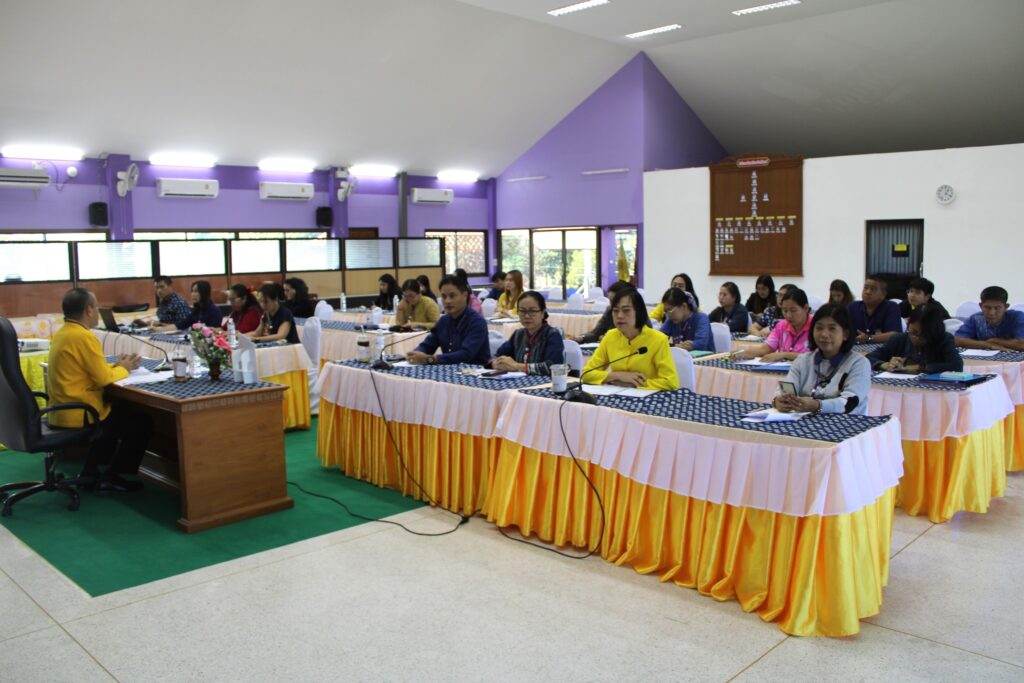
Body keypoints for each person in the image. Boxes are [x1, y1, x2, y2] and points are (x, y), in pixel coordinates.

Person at [48, 288, 152, 493]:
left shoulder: (63, 333)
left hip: (61, 410)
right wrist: (125, 368)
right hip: (80, 412)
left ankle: (92, 472)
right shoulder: (83, 336)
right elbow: (103, 379)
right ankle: (112, 477)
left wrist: (117, 366)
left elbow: (92, 371)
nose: (97, 312)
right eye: (96, 307)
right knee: (140, 421)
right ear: (88, 310)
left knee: (118, 411)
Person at [773, 303, 871, 415]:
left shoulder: (859, 363)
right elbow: (786, 388)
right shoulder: (803, 360)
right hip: (805, 421)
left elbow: (849, 402)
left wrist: (818, 406)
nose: (824, 334)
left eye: (832, 329)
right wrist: (779, 400)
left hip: (846, 423)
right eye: (819, 328)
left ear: (846, 334)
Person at [581, 288, 679, 391]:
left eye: (626, 310)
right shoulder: (610, 336)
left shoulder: (658, 340)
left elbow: (671, 382)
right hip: (616, 394)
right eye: (615, 311)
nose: (619, 316)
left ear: (639, 312)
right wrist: (616, 376)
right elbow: (586, 374)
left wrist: (635, 384)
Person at [407, 275, 491, 365]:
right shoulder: (443, 321)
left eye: (452, 296)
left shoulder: (477, 322)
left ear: (465, 295)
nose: (447, 301)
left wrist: (430, 359)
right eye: (444, 297)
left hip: (476, 371)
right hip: (449, 370)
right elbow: (428, 345)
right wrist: (416, 353)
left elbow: (466, 355)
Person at [490, 291, 564, 376]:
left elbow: (552, 367)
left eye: (532, 311)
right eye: (522, 311)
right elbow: (498, 356)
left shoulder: (552, 335)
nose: (527, 316)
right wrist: (496, 363)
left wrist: (517, 366)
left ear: (543, 313)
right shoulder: (518, 335)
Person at [868, 307, 963, 374]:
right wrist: (884, 365)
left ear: (932, 333)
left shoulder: (944, 339)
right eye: (911, 332)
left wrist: (919, 367)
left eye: (920, 334)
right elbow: (869, 358)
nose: (914, 337)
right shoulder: (899, 339)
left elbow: (956, 366)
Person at [732, 288, 813, 361]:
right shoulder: (781, 326)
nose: (788, 315)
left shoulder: (815, 326)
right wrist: (745, 353)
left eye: (793, 310)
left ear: (805, 308)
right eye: (785, 310)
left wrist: (785, 355)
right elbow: (765, 349)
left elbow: (814, 356)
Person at [955, 285, 1024, 351]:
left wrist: (995, 341)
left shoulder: (1018, 317)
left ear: (1006, 307)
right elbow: (957, 340)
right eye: (987, 307)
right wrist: (988, 345)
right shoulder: (976, 318)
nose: (991, 313)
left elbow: (1022, 344)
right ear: (981, 306)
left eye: (997, 308)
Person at [847, 275, 902, 344]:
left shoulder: (891, 307)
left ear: (883, 294)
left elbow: (895, 334)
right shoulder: (852, 307)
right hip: (855, 348)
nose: (868, 292)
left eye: (873, 289)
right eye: (865, 288)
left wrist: (868, 338)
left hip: (884, 349)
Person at [658, 288, 713, 352]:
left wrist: (674, 346)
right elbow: (659, 339)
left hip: (706, 357)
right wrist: (678, 346)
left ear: (683, 306)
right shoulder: (671, 320)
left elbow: (700, 345)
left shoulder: (701, 318)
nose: (668, 315)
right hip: (681, 356)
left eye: (670, 310)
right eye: (666, 311)